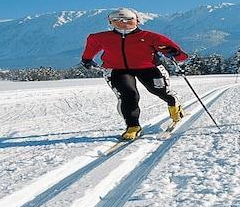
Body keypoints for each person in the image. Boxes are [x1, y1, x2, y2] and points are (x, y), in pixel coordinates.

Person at [81, 7, 189, 140]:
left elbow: (181, 55)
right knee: (128, 95)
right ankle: (133, 126)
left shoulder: (151, 37)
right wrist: (87, 60)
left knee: (160, 91)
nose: (123, 23)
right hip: (117, 70)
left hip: (149, 68)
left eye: (128, 20)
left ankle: (174, 105)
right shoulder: (99, 38)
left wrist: (174, 53)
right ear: (110, 22)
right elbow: (89, 51)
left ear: (137, 21)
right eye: (117, 20)